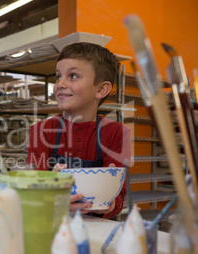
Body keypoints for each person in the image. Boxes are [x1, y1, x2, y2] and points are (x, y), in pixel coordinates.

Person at [27, 42, 131, 219]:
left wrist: (109, 202)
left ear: (101, 89)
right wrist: (51, 193)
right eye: (58, 76)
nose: (60, 84)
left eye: (73, 76)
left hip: (98, 227)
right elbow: (30, 191)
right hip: (52, 223)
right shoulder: (42, 131)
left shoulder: (116, 133)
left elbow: (119, 197)